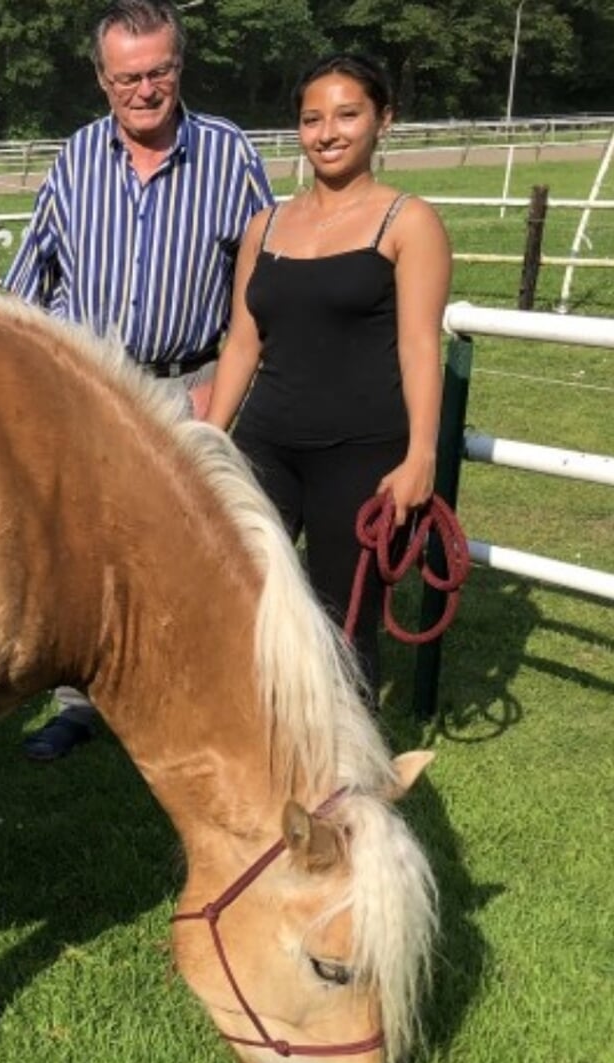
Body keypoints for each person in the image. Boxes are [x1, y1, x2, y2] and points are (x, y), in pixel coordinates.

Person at [3, 0, 273, 762]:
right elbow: (33, 273)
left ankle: (189, 694)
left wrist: (220, 388)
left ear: (179, 67)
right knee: (86, 548)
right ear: (101, 78)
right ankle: (77, 703)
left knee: (190, 547)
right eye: (127, 77)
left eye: (158, 71)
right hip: (87, 384)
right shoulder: (76, 157)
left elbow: (261, 286)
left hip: (186, 383)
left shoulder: (229, 155)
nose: (144, 89)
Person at [205, 54, 451, 698]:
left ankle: (347, 778)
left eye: (348, 114)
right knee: (239, 604)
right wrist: (206, 439)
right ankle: (260, 755)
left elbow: (420, 343)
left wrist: (421, 453)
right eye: (312, 118)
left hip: (361, 454)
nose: (328, 132)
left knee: (344, 626)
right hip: (266, 446)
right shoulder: (266, 226)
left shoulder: (409, 222)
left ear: (383, 120)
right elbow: (242, 342)